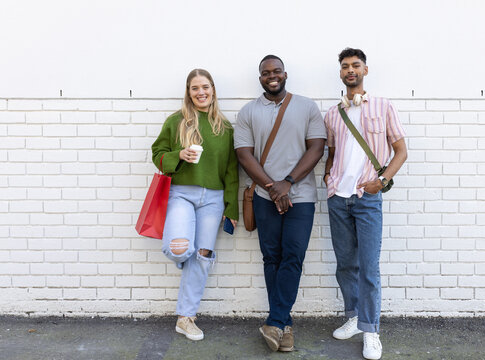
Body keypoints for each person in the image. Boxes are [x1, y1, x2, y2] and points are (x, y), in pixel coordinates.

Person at [234, 55, 326, 352]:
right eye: (265, 73)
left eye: (276, 71)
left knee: (293, 255)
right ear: (260, 77)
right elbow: (244, 155)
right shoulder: (248, 111)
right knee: (271, 257)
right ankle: (283, 327)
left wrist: (288, 182)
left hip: (302, 198)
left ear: (285, 74)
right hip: (264, 197)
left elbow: (317, 148)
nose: (271, 76)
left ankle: (275, 320)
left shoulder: (306, 106)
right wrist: (273, 188)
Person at [324, 48, 407, 360]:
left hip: (367, 198)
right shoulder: (333, 113)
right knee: (346, 264)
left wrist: (381, 181)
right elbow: (331, 151)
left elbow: (400, 151)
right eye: (345, 66)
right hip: (338, 199)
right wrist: (328, 176)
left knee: (369, 267)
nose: (350, 70)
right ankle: (355, 318)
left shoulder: (383, 107)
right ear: (341, 72)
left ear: (365, 70)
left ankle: (371, 331)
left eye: (355, 65)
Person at [151, 68, 238, 341]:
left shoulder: (224, 128)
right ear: (188, 93)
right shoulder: (175, 121)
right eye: (195, 88)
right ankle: (187, 263)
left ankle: (185, 318)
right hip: (181, 193)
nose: (201, 92)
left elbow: (231, 171)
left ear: (213, 90)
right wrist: (179, 154)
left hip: (212, 199)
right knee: (178, 248)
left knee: (202, 256)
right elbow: (157, 154)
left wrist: (231, 209)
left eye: (206, 87)